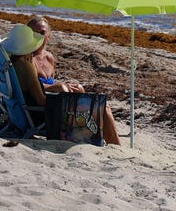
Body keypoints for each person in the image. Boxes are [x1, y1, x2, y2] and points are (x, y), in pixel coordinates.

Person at [27, 16, 121, 146]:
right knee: (103, 109)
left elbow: (50, 84)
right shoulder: (27, 58)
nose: (39, 36)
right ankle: (117, 147)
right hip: (43, 113)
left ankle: (114, 145)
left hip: (56, 105)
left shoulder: (49, 57)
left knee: (98, 102)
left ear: (48, 36)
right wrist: (57, 87)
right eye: (34, 33)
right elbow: (30, 86)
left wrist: (68, 87)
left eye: (42, 32)